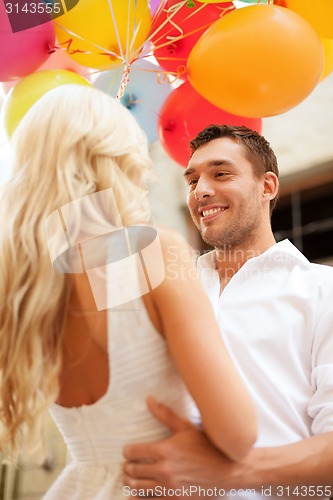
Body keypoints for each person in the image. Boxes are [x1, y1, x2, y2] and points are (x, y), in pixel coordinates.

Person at [0, 89, 257, 499]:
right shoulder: (153, 252)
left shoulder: (24, 285)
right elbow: (238, 434)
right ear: (118, 160)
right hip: (164, 484)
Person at [123, 125, 333, 499]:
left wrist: (231, 473)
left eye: (221, 173)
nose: (201, 190)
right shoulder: (169, 290)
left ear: (267, 187)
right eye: (192, 180)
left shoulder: (323, 290)